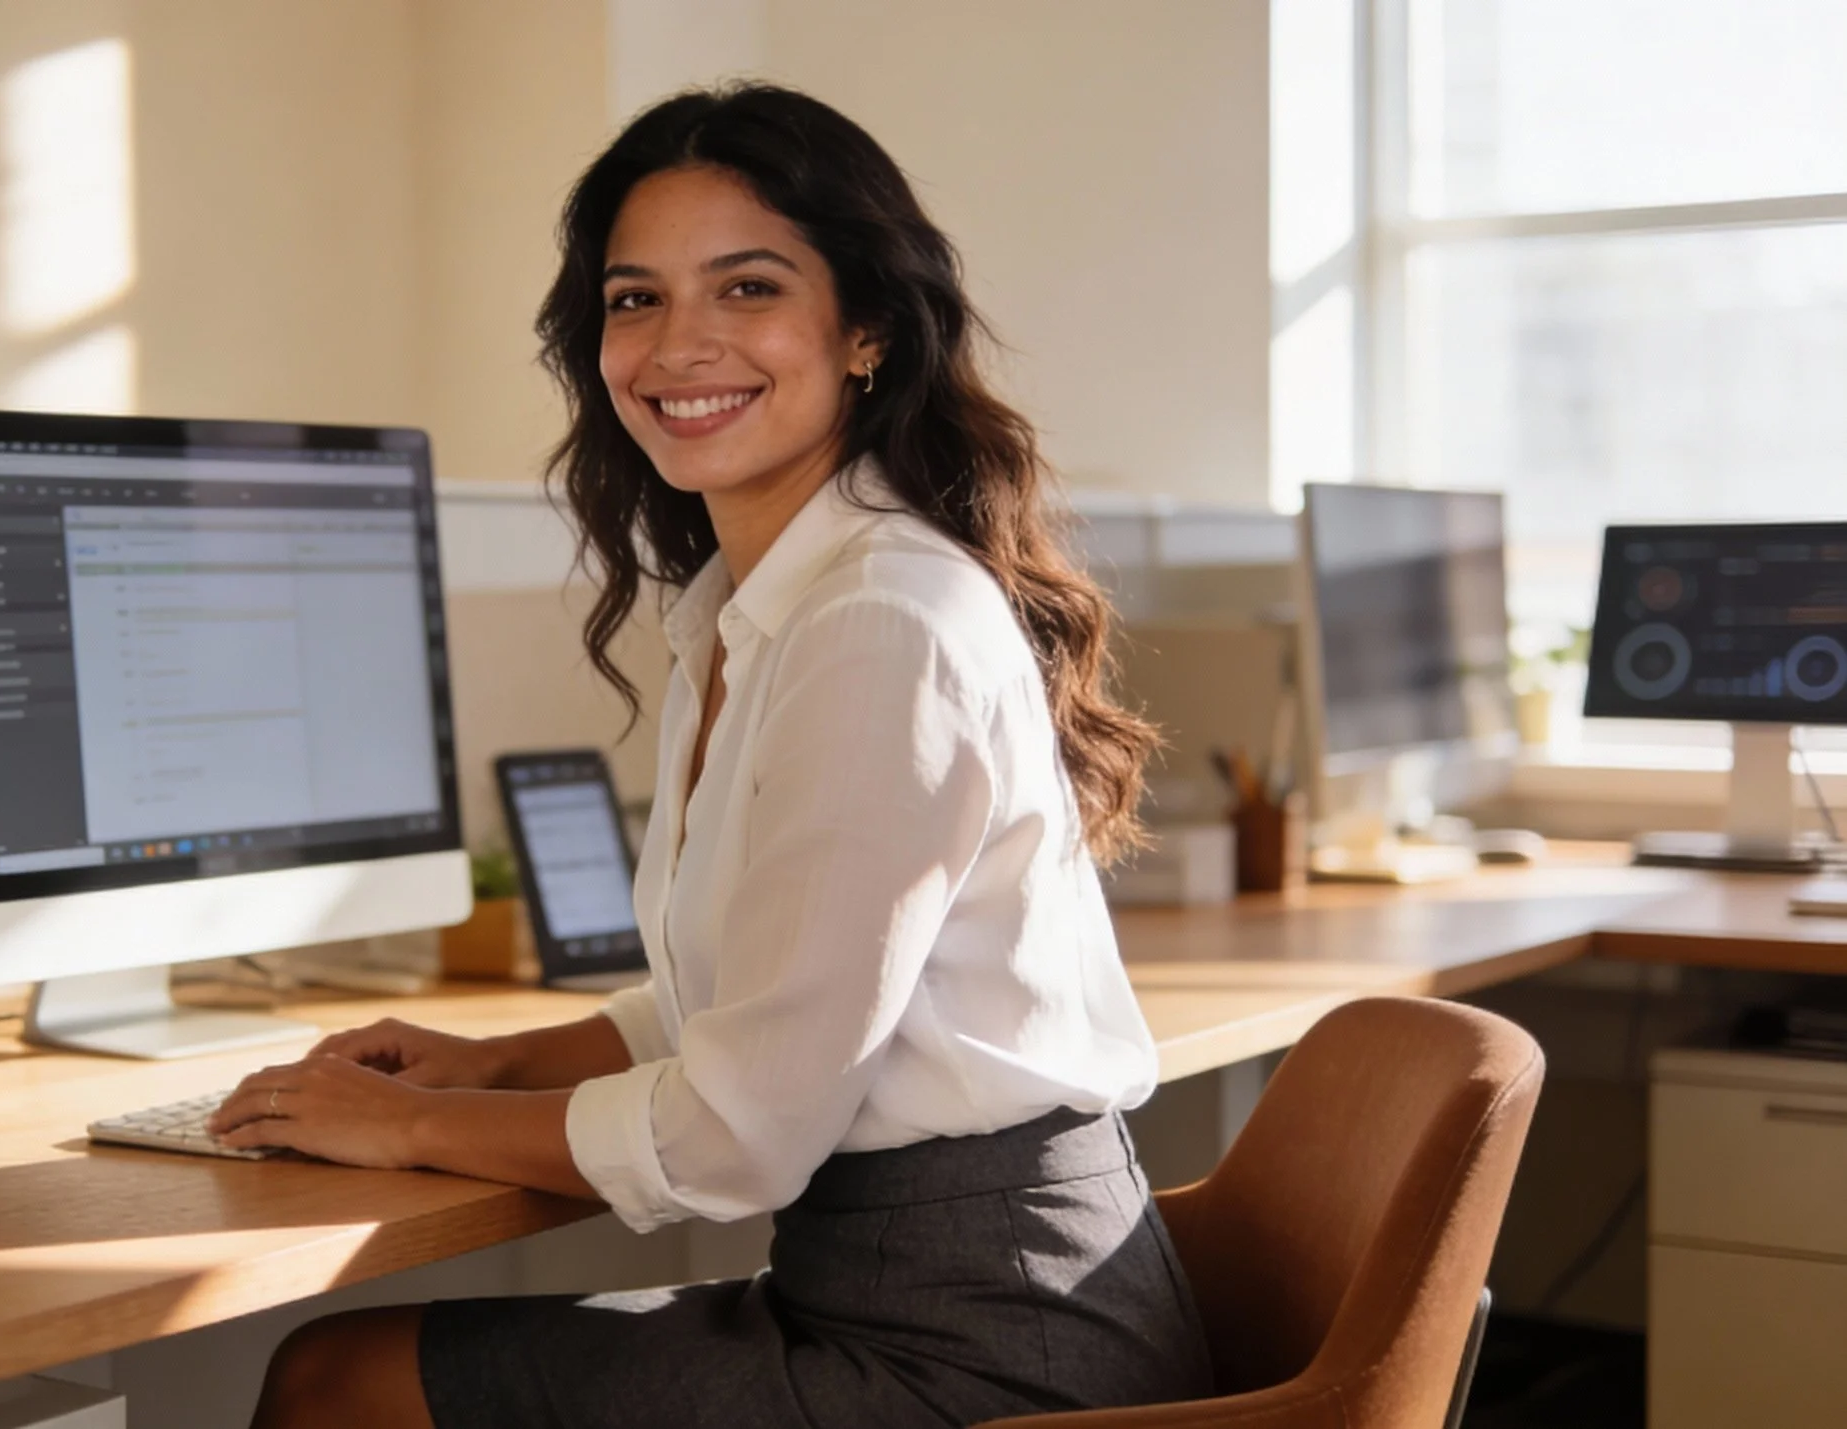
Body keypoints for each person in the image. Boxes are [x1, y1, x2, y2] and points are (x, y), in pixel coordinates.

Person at [209, 82, 1212, 1428]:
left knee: (340, 1384)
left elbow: (737, 1133)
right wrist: (494, 1065)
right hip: (934, 1295)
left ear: (863, 330)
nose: (680, 346)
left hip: (994, 1356)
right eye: (635, 300)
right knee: (348, 1367)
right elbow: (764, 1007)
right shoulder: (754, 608)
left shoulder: (876, 623)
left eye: (746, 289)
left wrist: (404, 1127)